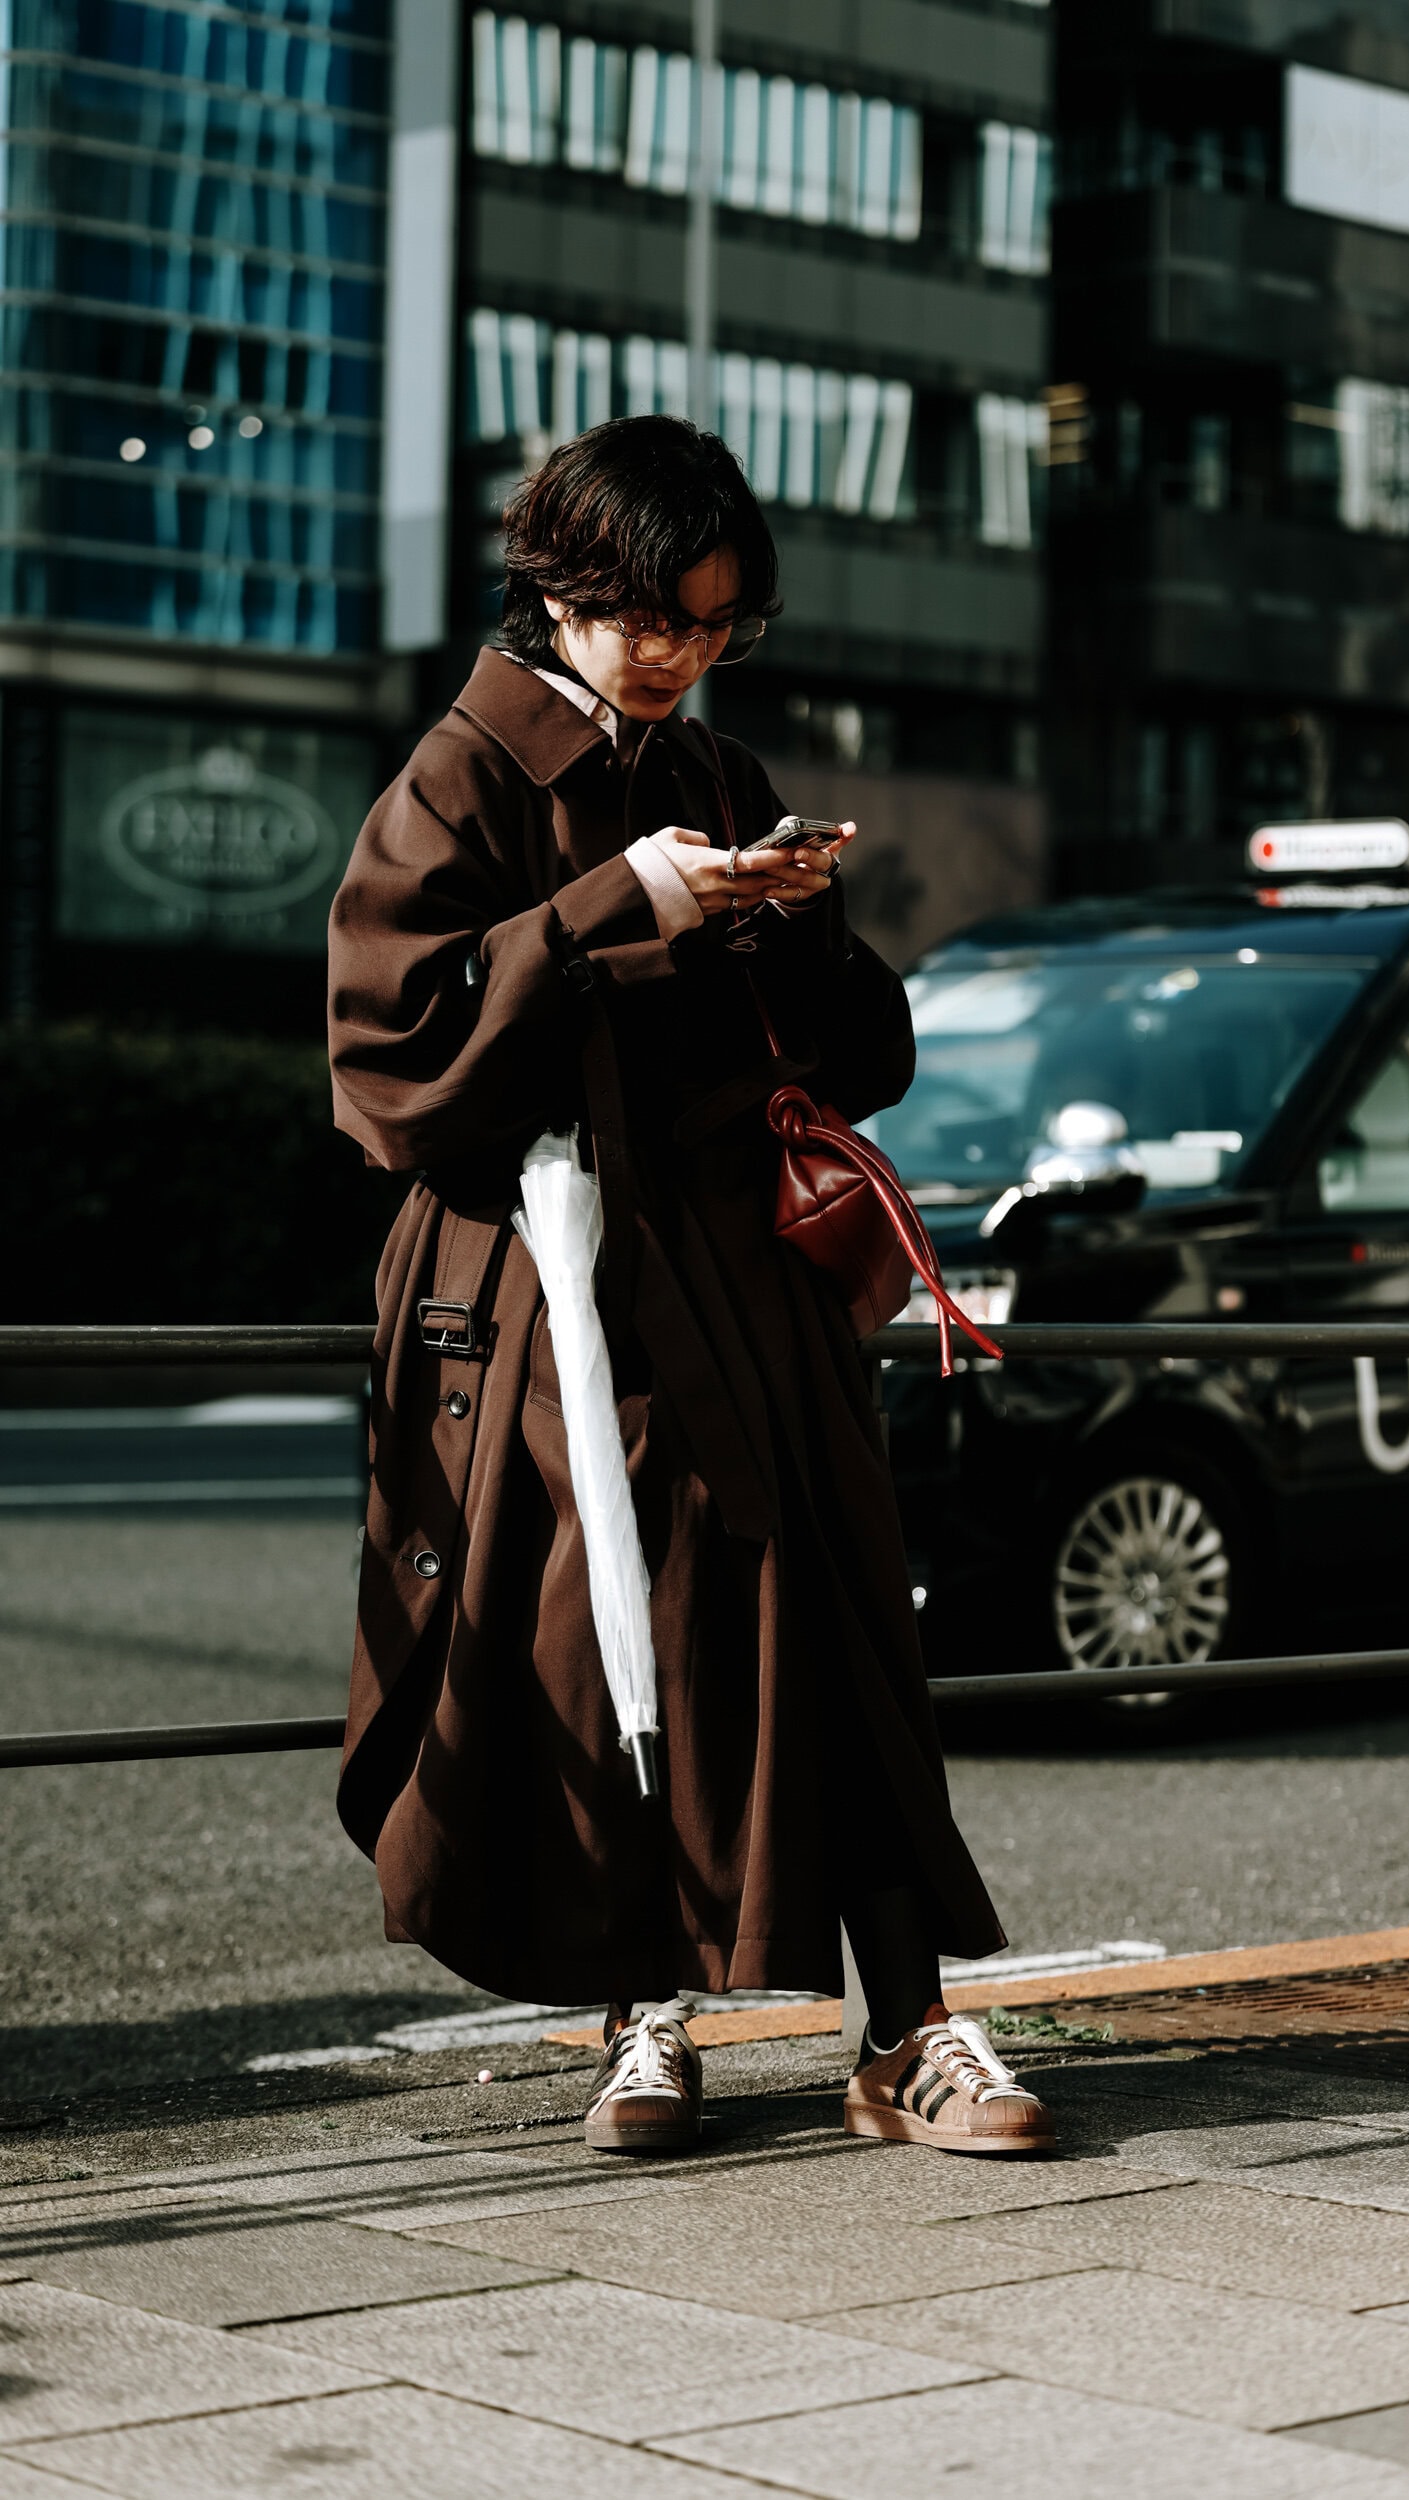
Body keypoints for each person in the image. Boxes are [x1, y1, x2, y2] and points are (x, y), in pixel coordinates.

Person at [326, 413, 1054, 2158]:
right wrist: (612, 906)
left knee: (846, 1627)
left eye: (713, 622)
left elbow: (856, 1053)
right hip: (560, 1288)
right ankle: (647, 2014)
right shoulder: (460, 774)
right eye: (650, 614)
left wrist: (792, 911)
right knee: (604, 1642)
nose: (676, 653)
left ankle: (910, 2026)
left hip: (745, 1271)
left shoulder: (714, 772)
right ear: (562, 590)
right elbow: (386, 1057)